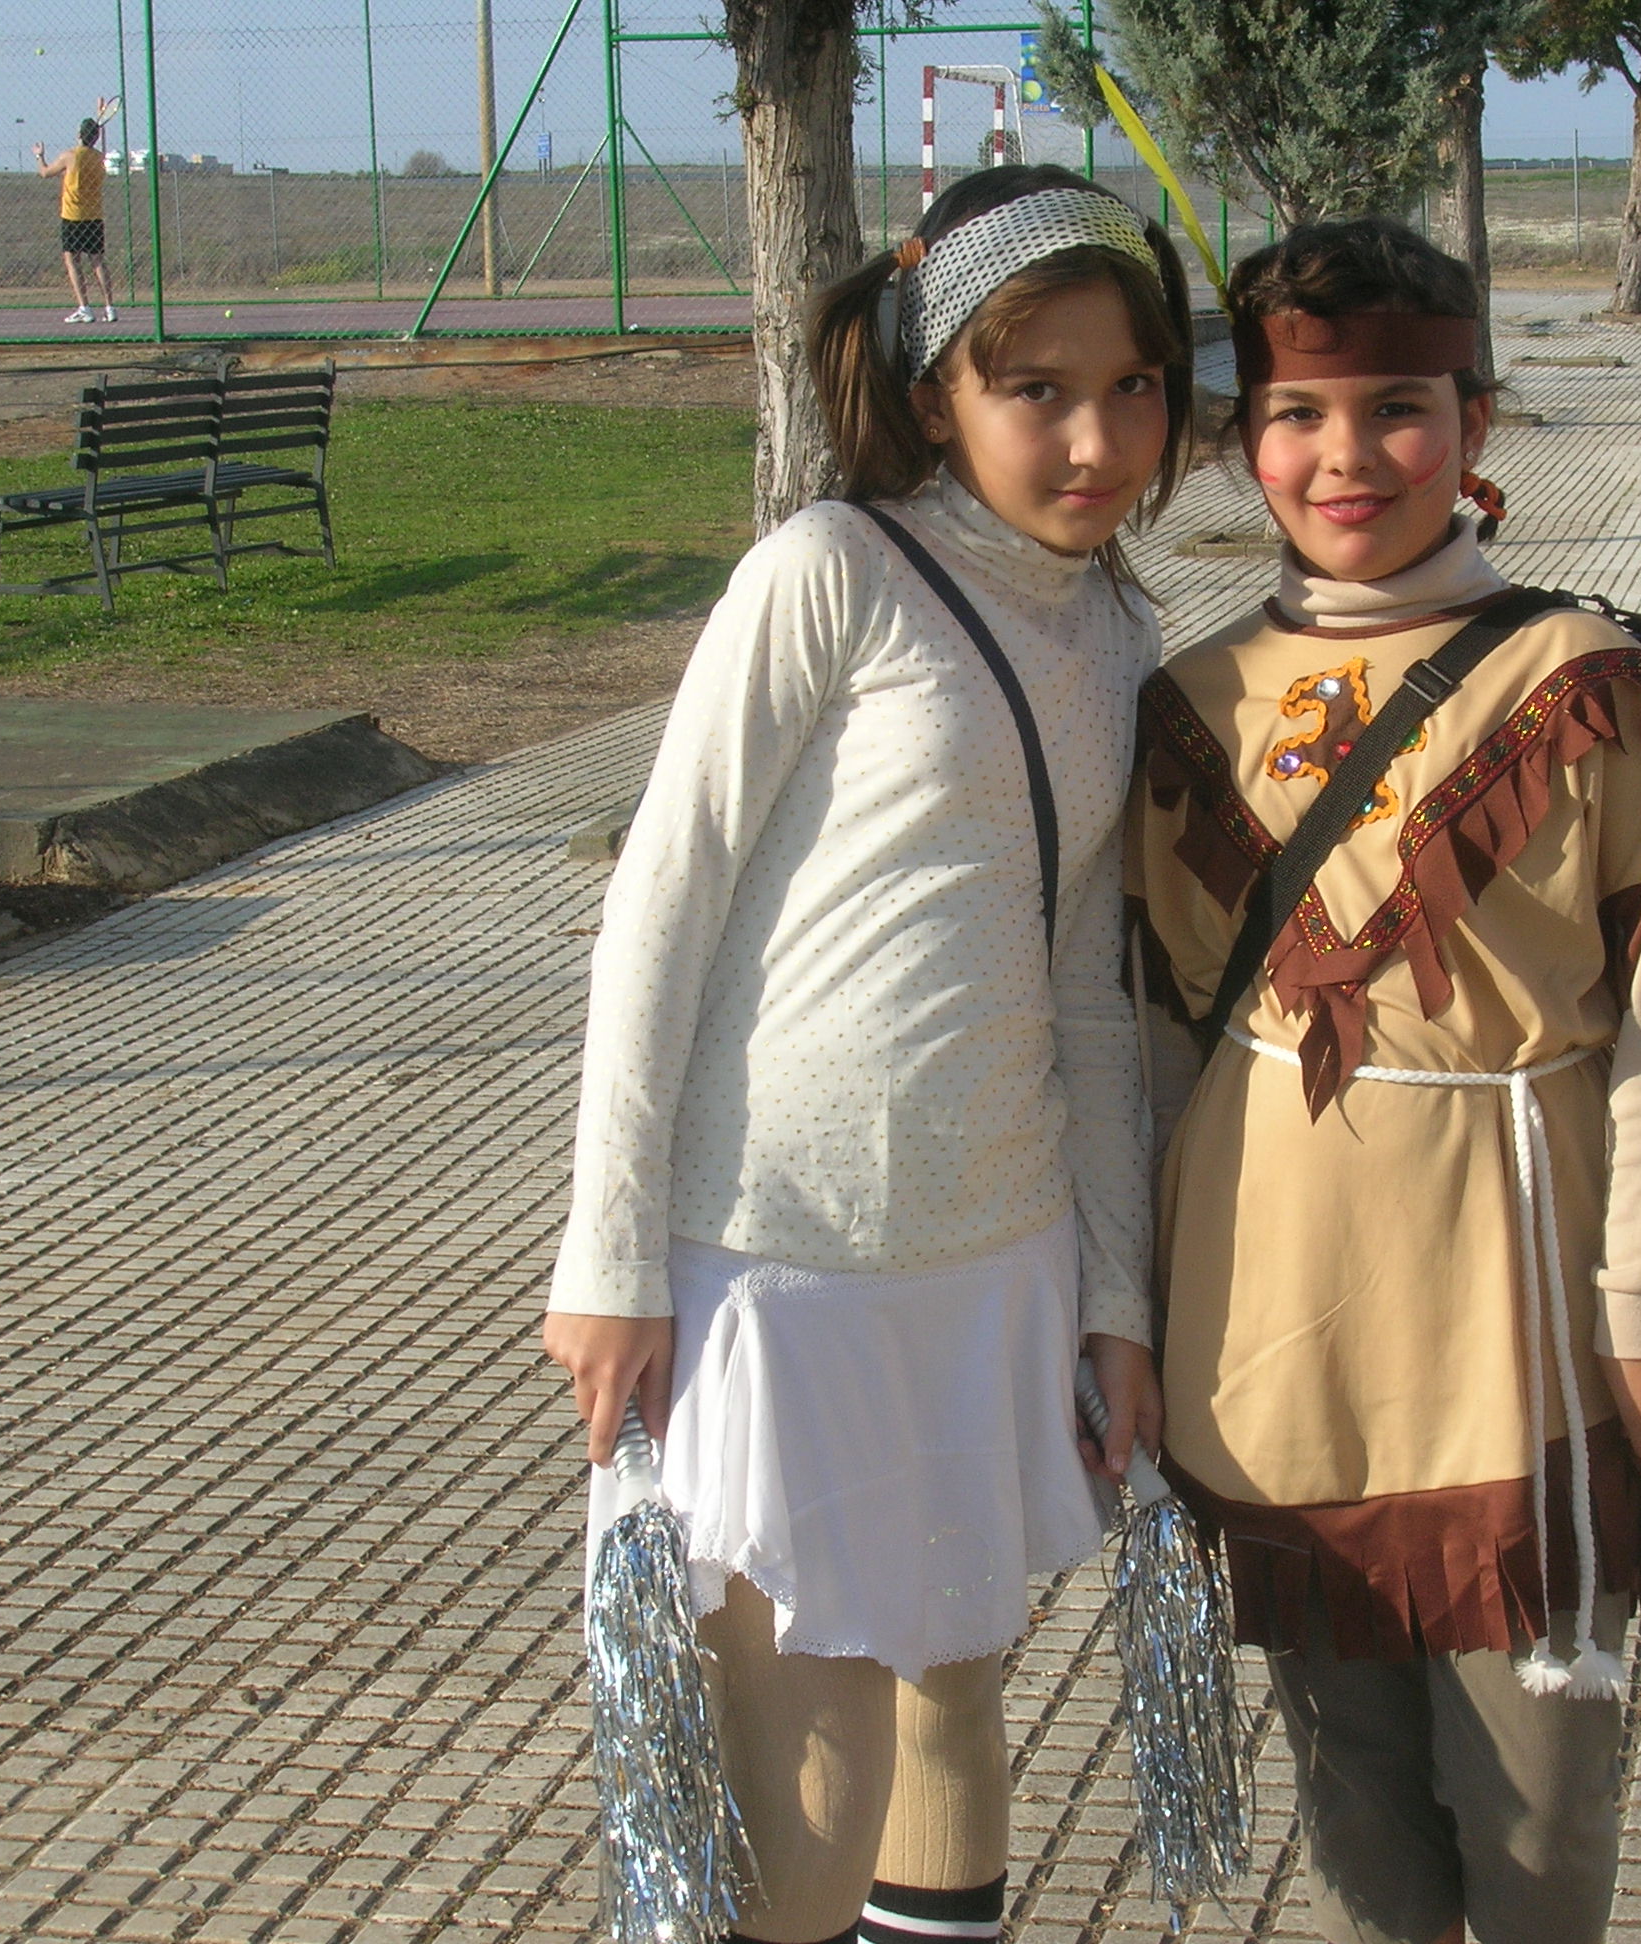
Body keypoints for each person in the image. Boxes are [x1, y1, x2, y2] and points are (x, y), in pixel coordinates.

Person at [540, 163, 1193, 1944]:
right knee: (812, 1805)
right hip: (778, 1269)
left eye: (1132, 385)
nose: (1095, 438)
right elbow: (660, 906)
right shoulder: (829, 572)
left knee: (959, 1704)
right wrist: (609, 1257)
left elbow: (1088, 990)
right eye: (1036, 387)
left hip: (994, 1263)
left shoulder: (1121, 631)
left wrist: (1113, 1295)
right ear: (932, 390)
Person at [1127, 216, 1641, 1944]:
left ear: (1474, 422)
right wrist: (1121, 1306)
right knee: (1355, 1795)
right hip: (1269, 1324)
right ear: (1244, 441)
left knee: (1536, 1806)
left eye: (1397, 407)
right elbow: (1154, 1044)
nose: (1347, 456)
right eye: (1296, 413)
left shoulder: (1588, 684)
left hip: (1513, 1318)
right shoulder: (1188, 702)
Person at [34, 101, 117, 325]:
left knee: (72, 261)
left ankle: (84, 308)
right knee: (98, 261)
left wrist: (39, 156)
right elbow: (99, 143)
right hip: (94, 216)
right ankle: (110, 307)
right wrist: (100, 117)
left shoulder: (69, 156)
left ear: (79, 134)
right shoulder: (99, 157)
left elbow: (45, 173)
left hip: (73, 216)